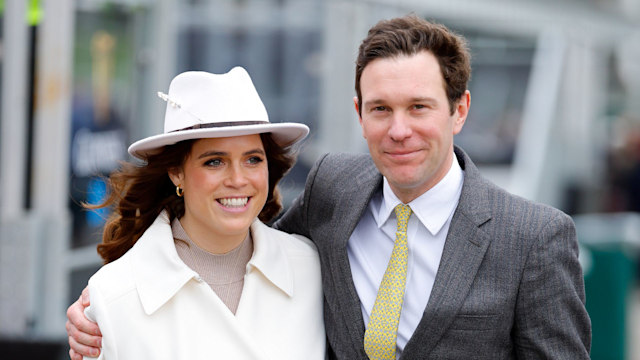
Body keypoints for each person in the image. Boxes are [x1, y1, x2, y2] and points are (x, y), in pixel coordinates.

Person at [67, 15, 591, 359]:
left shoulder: (534, 238)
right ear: (359, 114)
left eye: (419, 107)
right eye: (381, 109)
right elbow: (229, 233)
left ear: (460, 110)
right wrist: (104, 304)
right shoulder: (334, 192)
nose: (399, 129)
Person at [67, 67, 325, 359]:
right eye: (215, 162)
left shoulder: (311, 269)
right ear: (176, 172)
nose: (238, 179)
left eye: (253, 159)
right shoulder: (114, 296)